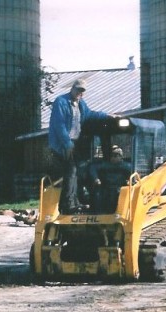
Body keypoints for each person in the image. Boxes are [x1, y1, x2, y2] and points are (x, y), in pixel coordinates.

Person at [48, 79, 111, 214]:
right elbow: (59, 125)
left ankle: (78, 201)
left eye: (82, 91)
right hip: (62, 144)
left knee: (80, 170)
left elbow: (90, 114)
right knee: (71, 171)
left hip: (73, 143)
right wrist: (67, 144)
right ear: (72, 88)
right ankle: (68, 205)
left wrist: (107, 115)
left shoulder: (81, 104)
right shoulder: (61, 102)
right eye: (78, 89)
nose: (80, 93)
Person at [89, 145, 132, 213]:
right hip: (106, 187)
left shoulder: (127, 166)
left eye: (116, 156)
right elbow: (93, 168)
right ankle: (98, 213)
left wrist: (130, 181)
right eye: (112, 156)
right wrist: (96, 178)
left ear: (120, 157)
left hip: (119, 188)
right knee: (97, 193)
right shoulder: (106, 165)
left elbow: (134, 174)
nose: (113, 158)